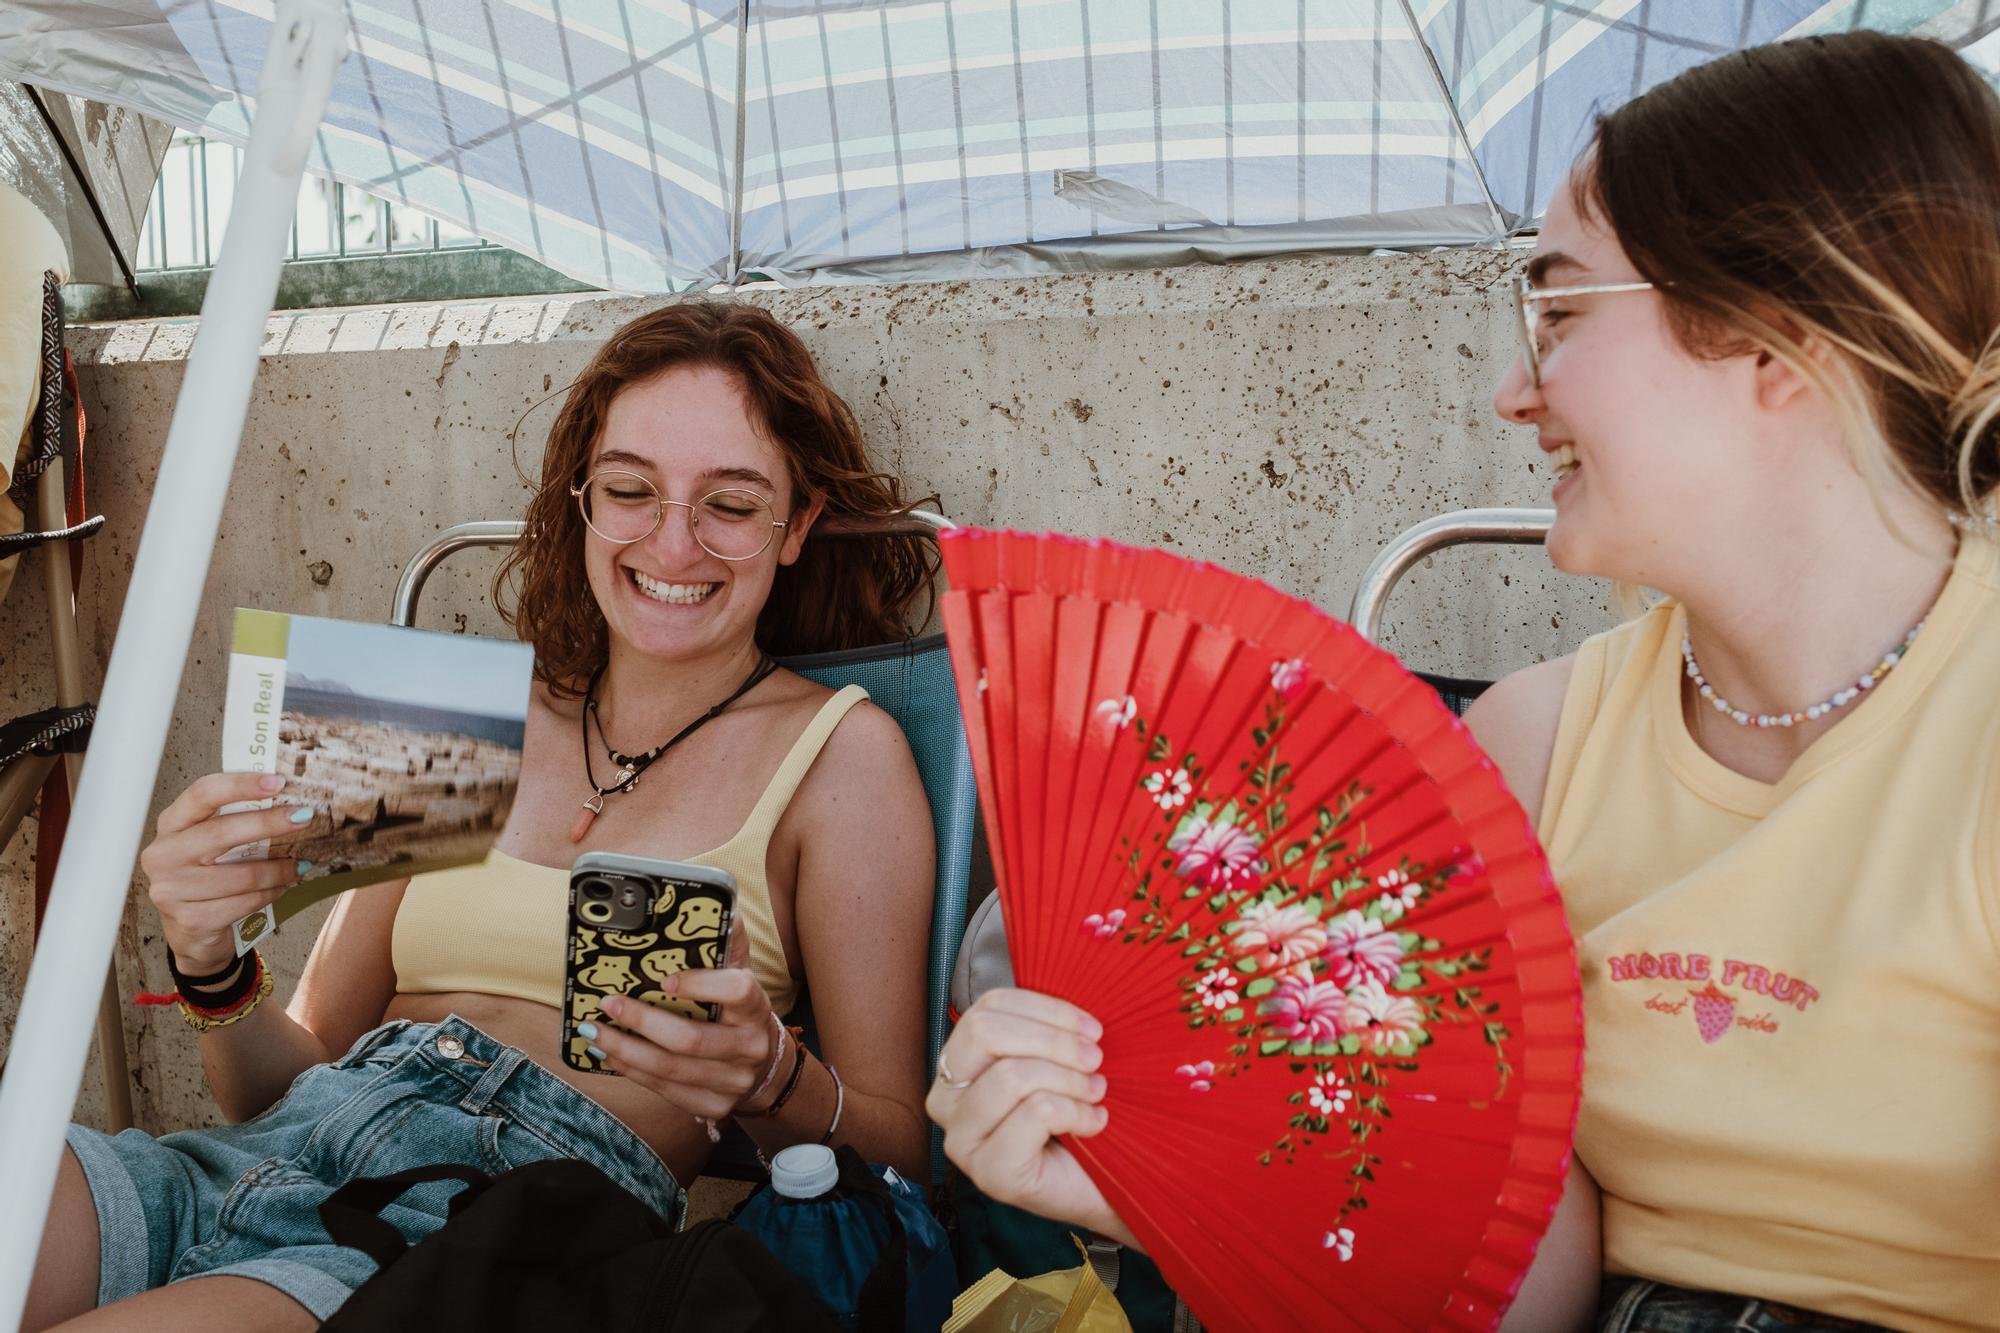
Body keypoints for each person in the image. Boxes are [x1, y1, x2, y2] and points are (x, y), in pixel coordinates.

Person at [927, 31, 2000, 1333]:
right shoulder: (1536, 745)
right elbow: (1499, 1284)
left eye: (1556, 313)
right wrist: (1158, 1189)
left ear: (1776, 337)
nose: (1511, 391)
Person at [27, 301, 939, 1330]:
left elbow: (903, 1152)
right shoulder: (451, 712)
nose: (672, 542)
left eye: (729, 504)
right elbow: (273, 1091)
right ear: (582, 501)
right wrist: (207, 958)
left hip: (478, 1230)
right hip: (249, 1161)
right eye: (631, 489)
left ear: (797, 527)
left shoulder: (840, 755)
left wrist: (772, 1075)